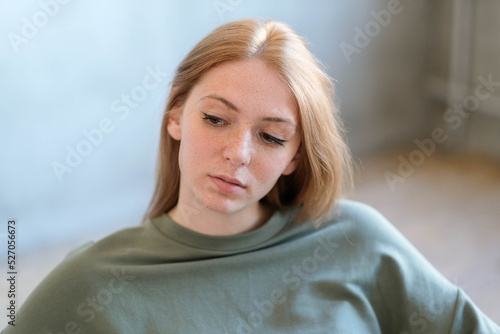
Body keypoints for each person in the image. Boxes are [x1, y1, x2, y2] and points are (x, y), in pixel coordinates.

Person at [4, 19, 499, 334]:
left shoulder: (357, 242)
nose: (237, 153)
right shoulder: (89, 286)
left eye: (271, 137)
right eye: (216, 119)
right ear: (175, 115)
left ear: (295, 157)